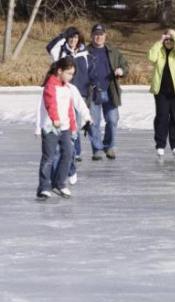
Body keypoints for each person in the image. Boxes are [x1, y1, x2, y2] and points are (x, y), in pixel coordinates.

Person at [36, 57, 91, 200]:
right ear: (60, 71)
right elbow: (50, 104)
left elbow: (70, 109)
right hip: (51, 128)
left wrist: (84, 119)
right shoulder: (50, 86)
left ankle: (59, 183)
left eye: (72, 74)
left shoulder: (68, 88)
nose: (70, 77)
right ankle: (44, 187)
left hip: (65, 128)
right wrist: (55, 119)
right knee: (48, 157)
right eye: (68, 73)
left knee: (68, 154)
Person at [46, 26, 94, 183]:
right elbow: (50, 46)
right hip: (61, 93)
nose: (73, 40)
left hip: (78, 92)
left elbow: (90, 71)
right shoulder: (60, 52)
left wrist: (92, 87)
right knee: (64, 134)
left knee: (73, 128)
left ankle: (73, 159)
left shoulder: (84, 53)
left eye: (76, 38)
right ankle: (63, 172)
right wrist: (62, 35)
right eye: (70, 38)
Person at [87, 23, 128, 161]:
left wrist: (121, 71)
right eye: (96, 34)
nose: (98, 37)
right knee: (94, 122)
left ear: (105, 36)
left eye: (101, 34)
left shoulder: (113, 51)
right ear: (92, 36)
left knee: (112, 119)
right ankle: (97, 149)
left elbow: (125, 65)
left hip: (110, 91)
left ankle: (109, 146)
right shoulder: (85, 52)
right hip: (93, 92)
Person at [148, 29, 175, 159]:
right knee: (161, 118)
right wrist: (159, 41)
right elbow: (150, 56)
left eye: (171, 40)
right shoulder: (159, 53)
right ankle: (160, 145)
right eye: (166, 40)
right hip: (161, 92)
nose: (169, 42)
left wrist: (174, 34)